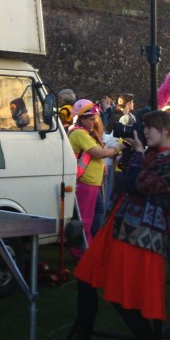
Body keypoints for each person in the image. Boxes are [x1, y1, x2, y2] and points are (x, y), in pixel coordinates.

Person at [70, 110, 170, 340]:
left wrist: (136, 156)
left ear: (166, 130)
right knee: (87, 279)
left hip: (142, 233)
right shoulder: (155, 156)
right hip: (121, 225)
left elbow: (136, 183)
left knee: (121, 295)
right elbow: (129, 182)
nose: (144, 133)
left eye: (149, 128)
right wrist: (137, 156)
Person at [67, 99, 117, 252]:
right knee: (86, 219)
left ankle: (91, 248)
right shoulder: (79, 134)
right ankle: (82, 250)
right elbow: (98, 153)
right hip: (86, 183)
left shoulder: (84, 133)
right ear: (81, 118)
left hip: (92, 183)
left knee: (96, 216)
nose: (94, 121)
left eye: (94, 118)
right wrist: (118, 149)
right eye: (90, 119)